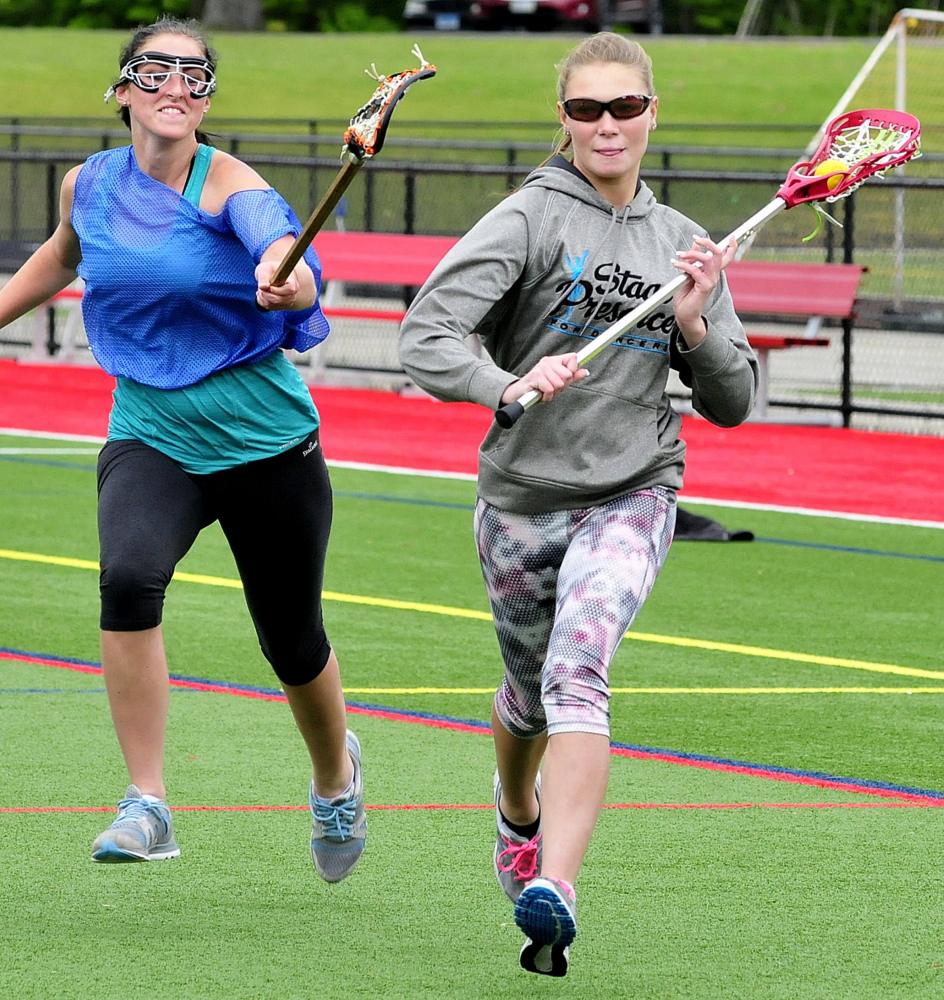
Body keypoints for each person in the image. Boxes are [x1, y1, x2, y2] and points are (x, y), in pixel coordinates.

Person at [399, 32, 757, 976]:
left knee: (577, 674)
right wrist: (506, 383)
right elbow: (427, 336)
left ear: (651, 115)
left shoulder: (683, 244)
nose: (609, 125)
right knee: (526, 695)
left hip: (635, 491)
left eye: (626, 108)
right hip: (520, 498)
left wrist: (695, 325)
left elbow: (733, 401)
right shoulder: (525, 220)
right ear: (563, 119)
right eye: (588, 109)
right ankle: (515, 815)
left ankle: (554, 884)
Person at [0, 17, 367, 882]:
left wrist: (289, 279)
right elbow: (64, 255)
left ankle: (335, 775)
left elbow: (285, 251)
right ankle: (148, 802)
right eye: (154, 70)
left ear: (207, 99)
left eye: (194, 76)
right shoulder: (86, 184)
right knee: (128, 578)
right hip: (151, 431)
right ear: (122, 89)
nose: (175, 85)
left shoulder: (232, 186)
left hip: (264, 442)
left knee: (291, 639)